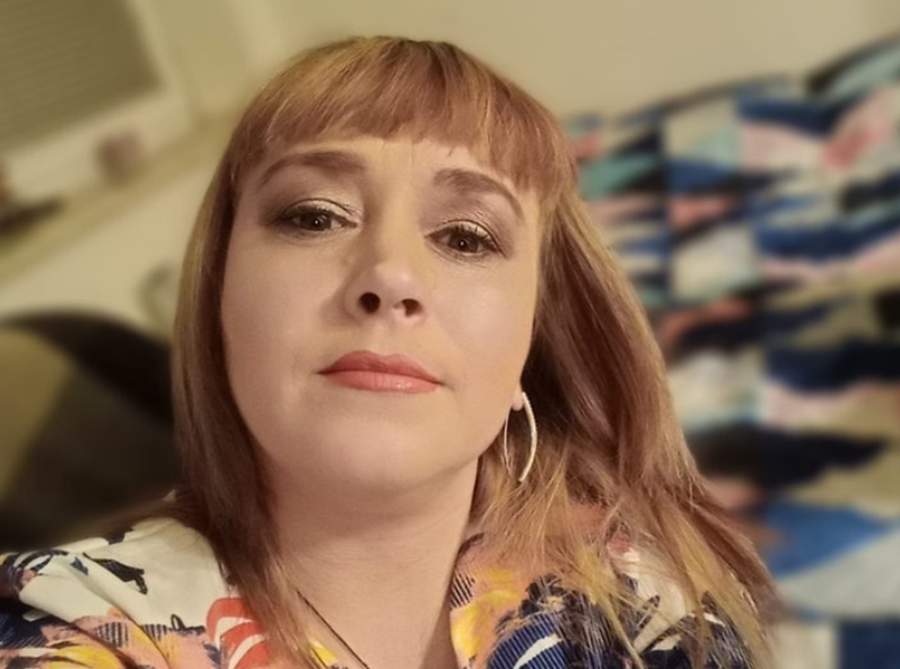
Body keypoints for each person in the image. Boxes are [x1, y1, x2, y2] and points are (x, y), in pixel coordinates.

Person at [0, 36, 777, 669]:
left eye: (466, 236)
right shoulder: (75, 627)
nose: (390, 275)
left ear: (533, 341)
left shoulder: (650, 600)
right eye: (314, 215)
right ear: (219, 301)